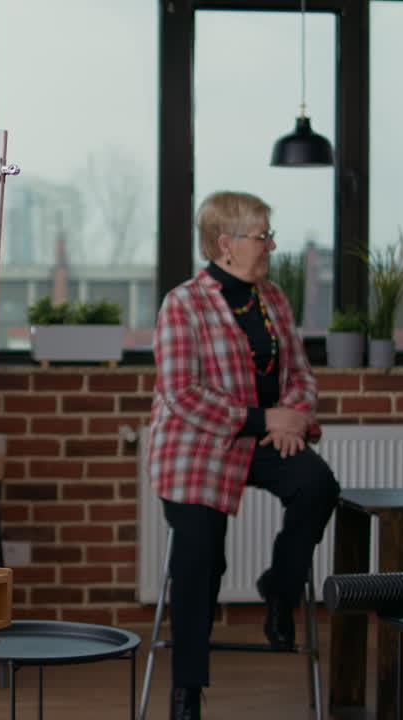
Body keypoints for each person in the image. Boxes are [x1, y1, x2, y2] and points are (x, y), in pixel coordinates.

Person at [147, 191, 339, 720]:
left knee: (317, 486)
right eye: (263, 236)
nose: (271, 245)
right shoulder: (183, 303)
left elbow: (297, 372)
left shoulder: (272, 298)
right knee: (201, 555)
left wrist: (293, 416)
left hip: (264, 439)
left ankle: (278, 590)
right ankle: (187, 690)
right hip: (196, 445)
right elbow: (181, 393)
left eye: (269, 235)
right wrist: (263, 419)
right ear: (225, 244)